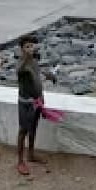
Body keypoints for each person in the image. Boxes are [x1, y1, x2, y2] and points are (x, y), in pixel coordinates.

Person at [16, 35, 55, 176]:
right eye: (27, 47)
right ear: (21, 49)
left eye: (31, 46)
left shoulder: (34, 61)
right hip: (26, 103)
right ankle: (20, 162)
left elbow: (36, 80)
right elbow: (20, 71)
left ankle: (31, 154)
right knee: (23, 131)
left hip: (36, 101)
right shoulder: (22, 64)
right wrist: (26, 57)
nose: (30, 49)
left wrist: (47, 77)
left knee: (33, 128)